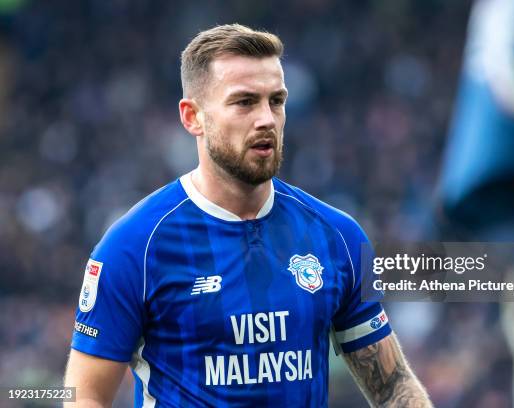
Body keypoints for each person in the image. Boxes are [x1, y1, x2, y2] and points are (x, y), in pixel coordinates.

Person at [64, 24, 432, 407]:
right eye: (244, 102)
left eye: (276, 101)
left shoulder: (337, 236)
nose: (266, 120)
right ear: (193, 117)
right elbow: (85, 397)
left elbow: (393, 388)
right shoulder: (134, 247)